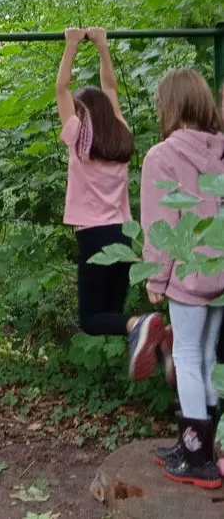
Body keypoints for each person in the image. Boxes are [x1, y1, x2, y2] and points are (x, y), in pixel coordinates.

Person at [56, 27, 167, 381]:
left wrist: (72, 45)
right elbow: (111, 89)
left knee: (92, 319)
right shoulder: (121, 135)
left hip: (93, 238)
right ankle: (162, 343)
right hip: (123, 236)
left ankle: (145, 324)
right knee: (115, 315)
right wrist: (103, 47)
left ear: (81, 113)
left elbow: (61, 89)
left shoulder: (79, 138)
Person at [141, 68, 224, 489]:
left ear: (170, 106)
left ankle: (198, 459)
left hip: (189, 276)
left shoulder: (163, 156)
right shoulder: (222, 149)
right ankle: (203, 446)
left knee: (187, 359)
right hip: (221, 274)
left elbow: (161, 225)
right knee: (207, 358)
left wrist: (157, 279)